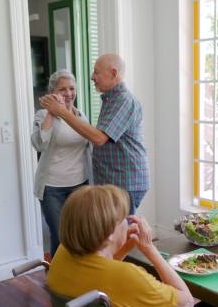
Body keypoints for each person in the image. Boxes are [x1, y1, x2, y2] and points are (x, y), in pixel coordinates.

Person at [47, 185, 218, 307]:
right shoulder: (126, 276)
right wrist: (150, 249)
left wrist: (125, 245)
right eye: (122, 220)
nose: (126, 223)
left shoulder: (61, 256)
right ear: (109, 234)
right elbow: (186, 301)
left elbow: (100, 267)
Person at [41, 54, 150, 215]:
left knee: (121, 234)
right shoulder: (111, 100)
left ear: (113, 73)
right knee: (112, 233)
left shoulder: (124, 101)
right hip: (114, 182)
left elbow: (99, 138)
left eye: (96, 72)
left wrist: (62, 112)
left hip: (125, 183)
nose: (92, 77)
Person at [31, 69, 93, 258]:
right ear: (53, 92)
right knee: (59, 235)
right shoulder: (43, 115)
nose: (68, 93)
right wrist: (52, 111)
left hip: (79, 185)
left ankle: (75, 275)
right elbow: (39, 144)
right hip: (52, 188)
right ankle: (56, 278)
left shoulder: (80, 115)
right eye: (62, 89)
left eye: (72, 88)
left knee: (79, 234)